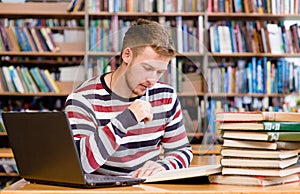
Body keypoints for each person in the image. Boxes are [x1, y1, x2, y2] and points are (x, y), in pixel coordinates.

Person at [65, 18, 193, 178]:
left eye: (159, 72)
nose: (152, 80)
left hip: (148, 188)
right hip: (106, 189)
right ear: (127, 55)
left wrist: (164, 166)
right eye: (147, 68)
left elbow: (181, 151)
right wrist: (127, 118)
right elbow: (81, 162)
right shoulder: (82, 99)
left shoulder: (165, 96)